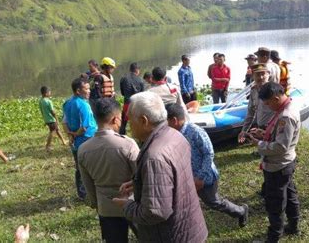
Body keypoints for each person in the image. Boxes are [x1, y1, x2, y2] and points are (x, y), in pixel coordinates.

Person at [112, 92, 208, 242]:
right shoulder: (175, 135)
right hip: (190, 226)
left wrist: (126, 206)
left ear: (144, 121)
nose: (129, 126)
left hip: (172, 235)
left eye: (130, 121)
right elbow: (173, 177)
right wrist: (140, 182)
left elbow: (155, 212)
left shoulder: (154, 157)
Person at [165, 103, 249, 227]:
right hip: (187, 176)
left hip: (203, 177)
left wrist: (201, 177)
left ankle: (241, 211)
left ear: (174, 120)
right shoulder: (173, 134)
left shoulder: (195, 131)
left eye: (165, 122)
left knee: (213, 202)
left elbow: (208, 153)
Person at [78, 98, 139, 242]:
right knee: (146, 237)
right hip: (132, 203)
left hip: (106, 207)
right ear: (115, 119)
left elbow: (88, 184)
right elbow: (141, 176)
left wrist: (95, 203)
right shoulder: (127, 144)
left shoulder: (83, 150)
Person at [247, 82, 301, 242]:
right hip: (286, 164)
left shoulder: (286, 116)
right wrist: (264, 133)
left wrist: (259, 144)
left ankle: (273, 237)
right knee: (290, 195)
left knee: (275, 204)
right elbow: (280, 136)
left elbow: (281, 146)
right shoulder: (285, 107)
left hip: (278, 166)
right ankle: (293, 226)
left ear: (276, 98)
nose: (268, 106)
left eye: (268, 103)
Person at [62, 78, 98, 200]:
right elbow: (85, 126)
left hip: (75, 143)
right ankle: (93, 192)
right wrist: (76, 134)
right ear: (78, 91)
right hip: (87, 140)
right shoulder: (84, 105)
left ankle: (81, 193)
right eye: (86, 89)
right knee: (92, 167)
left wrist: (70, 135)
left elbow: (64, 122)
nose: (89, 91)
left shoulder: (67, 103)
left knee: (79, 167)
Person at [238, 63, 274, 144]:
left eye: (263, 74)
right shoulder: (254, 91)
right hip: (260, 127)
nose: (261, 77)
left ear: (268, 74)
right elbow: (251, 112)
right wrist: (244, 131)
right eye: (257, 75)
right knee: (263, 149)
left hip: (273, 127)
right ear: (253, 76)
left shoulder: (274, 90)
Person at [39, 86, 68, 152]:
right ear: (46, 93)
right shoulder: (49, 101)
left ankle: (63, 141)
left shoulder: (41, 101)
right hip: (52, 120)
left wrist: (45, 119)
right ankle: (47, 146)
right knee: (52, 132)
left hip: (47, 119)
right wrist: (56, 119)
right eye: (49, 92)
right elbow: (53, 112)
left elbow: (42, 111)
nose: (50, 93)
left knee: (57, 130)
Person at [119, 62, 145, 135]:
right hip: (137, 104)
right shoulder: (140, 80)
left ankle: (122, 136)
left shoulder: (123, 78)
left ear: (130, 69)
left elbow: (122, 93)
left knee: (123, 123)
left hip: (127, 103)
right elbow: (142, 95)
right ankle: (140, 139)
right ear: (137, 70)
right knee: (139, 123)